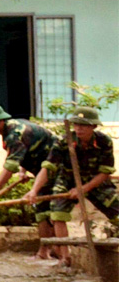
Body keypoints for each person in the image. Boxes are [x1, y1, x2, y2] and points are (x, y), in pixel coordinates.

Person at [25, 106, 119, 263]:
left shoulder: (104, 142)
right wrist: (34, 190)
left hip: (95, 180)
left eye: (84, 125)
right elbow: (48, 167)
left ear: (93, 127)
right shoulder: (63, 141)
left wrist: (83, 189)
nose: (79, 128)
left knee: (116, 211)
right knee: (57, 213)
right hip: (67, 179)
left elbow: (105, 172)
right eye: (76, 124)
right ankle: (65, 256)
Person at [0, 104, 57, 259]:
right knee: (43, 211)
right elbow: (22, 152)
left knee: (48, 209)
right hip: (41, 167)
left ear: (0, 120)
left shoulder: (15, 133)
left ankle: (48, 251)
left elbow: (10, 166)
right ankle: (48, 250)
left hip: (56, 167)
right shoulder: (11, 128)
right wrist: (23, 171)